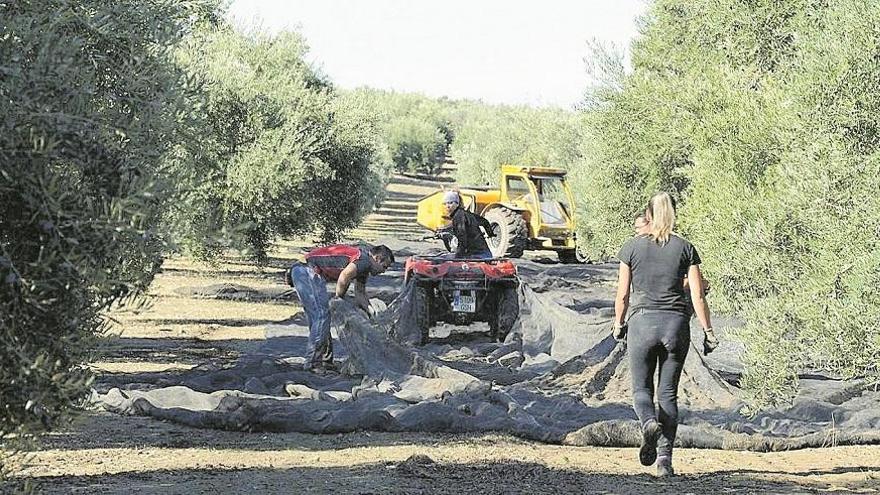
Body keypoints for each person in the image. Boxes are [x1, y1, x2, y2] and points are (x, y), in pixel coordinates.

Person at [613, 192, 714, 477]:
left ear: (649, 215)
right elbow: (697, 293)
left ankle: (647, 424)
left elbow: (622, 295)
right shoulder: (686, 248)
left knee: (641, 390)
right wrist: (708, 331)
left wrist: (618, 324)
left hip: (643, 325)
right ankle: (665, 462)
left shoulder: (631, 247)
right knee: (668, 394)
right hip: (675, 326)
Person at [285, 244, 394, 373]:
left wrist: (371, 313)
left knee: (319, 318)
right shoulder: (364, 261)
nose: (383, 271)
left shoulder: (364, 267)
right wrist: (339, 299)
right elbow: (344, 277)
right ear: (376, 258)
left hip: (304, 271)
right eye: (384, 267)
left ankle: (325, 361)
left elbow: (360, 294)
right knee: (321, 316)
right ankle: (313, 363)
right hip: (306, 270)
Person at [635, 213, 717, 354]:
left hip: (672, 312)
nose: (636, 232)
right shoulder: (638, 248)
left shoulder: (677, 246)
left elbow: (701, 286)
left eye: (638, 227)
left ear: (651, 224)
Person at [443, 190, 494, 259]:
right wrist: (490, 234)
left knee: (445, 259)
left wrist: (458, 256)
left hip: (476, 256)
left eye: (450, 203)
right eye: (445, 203)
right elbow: (485, 222)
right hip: (486, 253)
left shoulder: (458, 217)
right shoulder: (468, 214)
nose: (447, 206)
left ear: (457, 203)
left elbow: (462, 238)